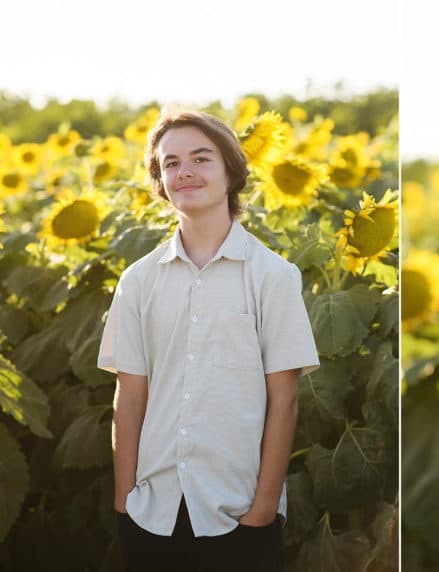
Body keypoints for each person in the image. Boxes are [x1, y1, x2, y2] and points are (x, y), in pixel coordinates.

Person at [97, 110, 319, 571]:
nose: (186, 172)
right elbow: (130, 396)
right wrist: (125, 501)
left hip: (238, 512)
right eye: (171, 163)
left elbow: (285, 399)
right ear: (160, 180)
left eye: (202, 158)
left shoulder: (272, 276)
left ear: (230, 171)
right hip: (152, 512)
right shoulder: (137, 281)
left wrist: (261, 509)